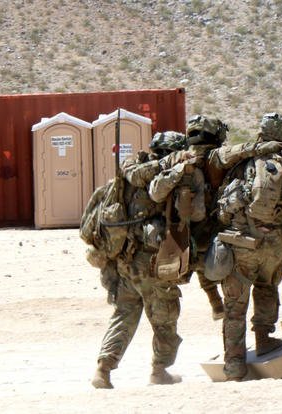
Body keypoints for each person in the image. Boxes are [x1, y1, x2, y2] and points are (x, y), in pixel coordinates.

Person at [87, 132, 189, 388]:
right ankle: (159, 371)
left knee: (124, 314)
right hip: (151, 263)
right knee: (165, 318)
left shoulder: (129, 174)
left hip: (123, 260)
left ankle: (103, 369)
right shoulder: (161, 177)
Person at [213, 113, 282, 381]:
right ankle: (264, 338)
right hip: (275, 244)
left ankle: (234, 365)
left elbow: (218, 166)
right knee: (268, 286)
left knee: (235, 306)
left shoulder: (244, 159)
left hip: (241, 241)